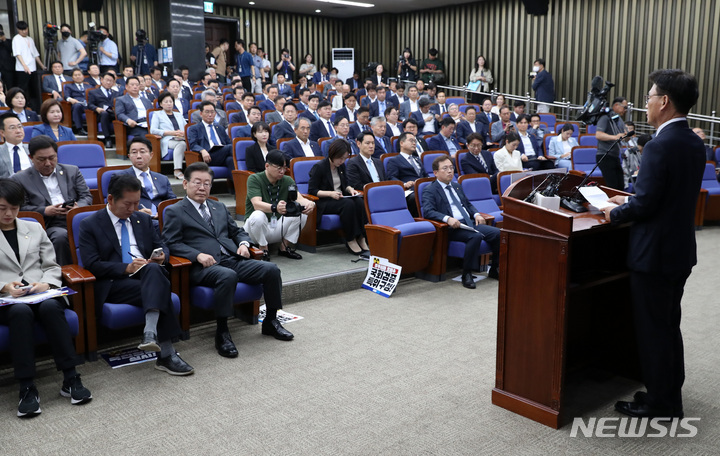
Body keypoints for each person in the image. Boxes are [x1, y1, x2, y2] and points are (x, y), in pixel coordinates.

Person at [602, 69, 706, 420]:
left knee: (653, 331)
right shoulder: (694, 141)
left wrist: (611, 212)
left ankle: (661, 402)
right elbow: (664, 196)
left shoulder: (661, 144)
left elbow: (645, 205)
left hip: (654, 255)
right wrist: (628, 201)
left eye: (648, 97)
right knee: (667, 325)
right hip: (678, 250)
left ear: (664, 102)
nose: (644, 104)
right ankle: (668, 392)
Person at [164, 162, 295, 357]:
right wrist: (196, 255)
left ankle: (270, 320)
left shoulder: (218, 206)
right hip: (203, 266)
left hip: (231, 258)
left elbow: (237, 231)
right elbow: (171, 243)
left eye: (207, 183)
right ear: (185, 184)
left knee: (271, 269)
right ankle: (222, 331)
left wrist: (244, 244)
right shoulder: (175, 211)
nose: (202, 187)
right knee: (227, 276)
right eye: (197, 182)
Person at [79, 173, 192, 376]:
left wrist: (161, 256)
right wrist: (126, 268)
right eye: (127, 204)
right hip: (115, 283)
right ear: (111, 199)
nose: (132, 209)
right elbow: (92, 264)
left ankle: (150, 335)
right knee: (160, 286)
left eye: (137, 203)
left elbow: (161, 245)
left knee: (154, 270)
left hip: (147, 275)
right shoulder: (90, 224)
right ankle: (166, 353)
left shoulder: (142, 219)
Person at [0, 178, 92, 417]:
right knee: (19, 313)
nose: (9, 213)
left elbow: (51, 265)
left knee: (52, 307)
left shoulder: (33, 227)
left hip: (38, 293)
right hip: (7, 300)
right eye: (2, 208)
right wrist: (5, 287)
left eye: (14, 207)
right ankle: (26, 385)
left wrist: (46, 284)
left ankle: (70, 377)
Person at [11, 135, 92, 265]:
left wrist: (78, 208)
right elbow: (20, 208)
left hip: (75, 218)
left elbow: (86, 196)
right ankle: (65, 274)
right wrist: (45, 211)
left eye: (52, 158)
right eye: (42, 159)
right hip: (48, 223)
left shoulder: (72, 171)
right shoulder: (20, 179)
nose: (48, 163)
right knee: (60, 236)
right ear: (31, 157)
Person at [421, 155, 500, 288]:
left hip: (468, 222)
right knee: (475, 237)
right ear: (435, 173)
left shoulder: (457, 186)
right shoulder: (430, 189)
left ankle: (494, 269)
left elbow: (467, 204)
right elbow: (428, 211)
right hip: (452, 227)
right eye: (445, 168)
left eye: (451, 168)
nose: (450, 171)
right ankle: (467, 274)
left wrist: (476, 214)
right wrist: (447, 218)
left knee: (498, 234)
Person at [245, 150, 314, 261]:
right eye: (279, 168)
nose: (282, 171)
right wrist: (275, 208)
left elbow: (299, 198)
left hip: (276, 226)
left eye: (284, 168)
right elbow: (256, 204)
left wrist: (310, 203)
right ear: (267, 166)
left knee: (301, 213)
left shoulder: (287, 180)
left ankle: (284, 247)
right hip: (254, 230)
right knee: (258, 215)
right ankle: (263, 248)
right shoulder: (254, 179)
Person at [308, 140, 369, 256]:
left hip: (339, 198)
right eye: (340, 158)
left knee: (359, 202)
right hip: (324, 202)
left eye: (345, 158)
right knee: (348, 204)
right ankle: (350, 239)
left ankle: (361, 237)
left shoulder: (341, 167)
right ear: (333, 154)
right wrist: (330, 193)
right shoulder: (319, 167)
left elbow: (345, 185)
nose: (342, 161)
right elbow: (312, 191)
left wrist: (350, 189)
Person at [119, 137, 176, 217]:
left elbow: (172, 201)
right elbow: (114, 203)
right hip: (136, 218)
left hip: (162, 218)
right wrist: (136, 212)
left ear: (151, 155)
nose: (138, 156)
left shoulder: (162, 178)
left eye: (142, 152)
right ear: (129, 156)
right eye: (134, 152)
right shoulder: (121, 178)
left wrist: (162, 212)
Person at [187, 101, 234, 173]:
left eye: (212, 112)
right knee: (231, 148)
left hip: (222, 154)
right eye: (207, 112)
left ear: (215, 114)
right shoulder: (195, 128)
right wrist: (202, 150)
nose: (210, 115)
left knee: (231, 160)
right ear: (201, 114)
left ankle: (236, 183)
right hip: (207, 156)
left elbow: (229, 143)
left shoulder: (220, 128)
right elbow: (193, 144)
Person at [386, 132, 427, 216]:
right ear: (402, 143)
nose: (414, 143)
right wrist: (404, 184)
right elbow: (391, 178)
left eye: (415, 141)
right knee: (415, 197)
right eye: (411, 140)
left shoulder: (417, 159)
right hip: (408, 190)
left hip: (422, 187)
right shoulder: (394, 160)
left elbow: (425, 175)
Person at [149, 92, 187, 180]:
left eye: (171, 101)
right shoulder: (157, 114)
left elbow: (186, 127)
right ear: (161, 104)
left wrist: (183, 132)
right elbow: (153, 130)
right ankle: (177, 170)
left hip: (181, 137)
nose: (169, 104)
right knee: (182, 144)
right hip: (167, 139)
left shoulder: (178, 114)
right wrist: (171, 133)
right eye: (166, 102)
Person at [595, 97, 628, 190]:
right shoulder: (605, 117)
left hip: (615, 156)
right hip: (604, 155)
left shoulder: (619, 119)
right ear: (616, 105)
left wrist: (627, 135)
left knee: (620, 186)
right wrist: (615, 137)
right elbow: (598, 135)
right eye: (624, 107)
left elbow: (624, 137)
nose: (625, 110)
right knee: (612, 187)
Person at [12, 21, 46, 111]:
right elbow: (17, 54)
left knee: (33, 89)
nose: (24, 31)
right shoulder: (16, 39)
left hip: (33, 68)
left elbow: (35, 54)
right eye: (22, 30)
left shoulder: (30, 39)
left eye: (25, 29)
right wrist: (24, 66)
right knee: (22, 89)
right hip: (22, 69)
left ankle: (35, 109)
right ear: (18, 29)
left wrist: (42, 65)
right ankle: (22, 108)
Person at [88, 72, 121, 149]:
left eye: (111, 81)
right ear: (102, 80)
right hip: (100, 114)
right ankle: (107, 139)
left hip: (113, 113)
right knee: (104, 114)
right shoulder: (93, 92)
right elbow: (90, 105)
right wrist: (97, 108)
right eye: (107, 80)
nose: (109, 82)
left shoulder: (116, 93)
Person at [0, 113, 32, 178]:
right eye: (12, 128)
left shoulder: (32, 148)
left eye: (20, 127)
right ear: (2, 133)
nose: (18, 131)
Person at [63, 68, 92, 135]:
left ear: (83, 76)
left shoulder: (89, 86)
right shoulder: (69, 86)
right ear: (72, 77)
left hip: (88, 104)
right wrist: (71, 99)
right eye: (75, 75)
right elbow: (66, 96)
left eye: (79, 75)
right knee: (77, 106)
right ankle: (79, 129)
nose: (78, 76)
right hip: (77, 103)